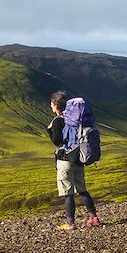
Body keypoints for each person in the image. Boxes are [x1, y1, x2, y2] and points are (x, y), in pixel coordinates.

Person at [47, 90, 100, 230]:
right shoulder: (75, 120)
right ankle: (94, 218)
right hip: (79, 158)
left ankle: (70, 223)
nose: (51, 107)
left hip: (65, 160)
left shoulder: (58, 120)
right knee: (82, 190)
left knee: (67, 193)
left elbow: (56, 141)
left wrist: (49, 130)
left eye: (51, 104)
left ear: (55, 105)